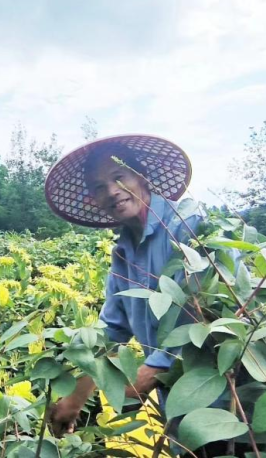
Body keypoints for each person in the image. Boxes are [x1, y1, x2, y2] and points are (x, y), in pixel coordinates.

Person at [43, 135, 238, 457]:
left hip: (229, 399)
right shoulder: (123, 253)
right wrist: (75, 396)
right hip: (179, 404)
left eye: (119, 177)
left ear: (142, 177)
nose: (112, 191)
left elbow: (203, 318)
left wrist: (147, 375)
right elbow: (112, 330)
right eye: (98, 186)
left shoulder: (189, 227)